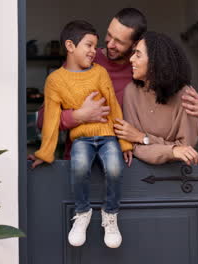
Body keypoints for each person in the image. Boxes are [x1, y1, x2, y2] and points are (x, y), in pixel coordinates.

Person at [34, 8, 198, 161]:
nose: (109, 44)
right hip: (80, 162)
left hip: (127, 163)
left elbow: (170, 110)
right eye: (109, 35)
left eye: (119, 41)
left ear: (135, 44)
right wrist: (79, 116)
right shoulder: (85, 60)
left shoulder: (141, 75)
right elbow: (42, 119)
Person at [31, 20, 132, 249]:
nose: (94, 51)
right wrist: (45, 153)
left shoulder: (100, 73)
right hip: (81, 139)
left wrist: (124, 143)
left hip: (108, 136)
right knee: (78, 167)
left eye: (95, 46)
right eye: (89, 45)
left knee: (115, 168)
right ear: (70, 45)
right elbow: (48, 120)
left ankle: (110, 214)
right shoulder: (55, 81)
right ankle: (82, 212)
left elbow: (114, 107)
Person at [114, 31, 198, 166]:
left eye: (138, 55)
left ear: (156, 61)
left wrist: (142, 137)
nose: (131, 59)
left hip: (179, 177)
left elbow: (185, 149)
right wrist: (171, 149)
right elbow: (135, 147)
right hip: (139, 175)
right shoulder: (131, 92)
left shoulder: (186, 96)